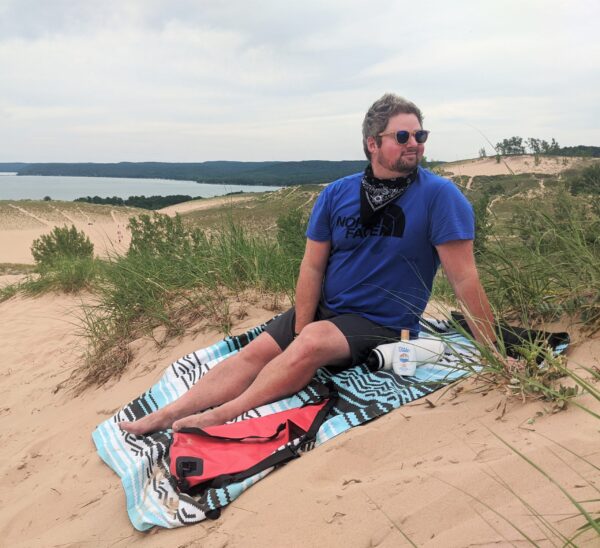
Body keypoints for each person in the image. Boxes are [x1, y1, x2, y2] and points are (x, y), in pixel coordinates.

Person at [121, 93, 497, 436]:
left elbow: (463, 278)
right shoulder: (338, 194)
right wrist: (301, 324)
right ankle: (167, 413)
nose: (415, 144)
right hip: (327, 309)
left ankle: (223, 414)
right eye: (403, 137)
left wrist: (492, 352)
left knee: (311, 343)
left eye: (420, 135)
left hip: (384, 322)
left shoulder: (439, 197)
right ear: (372, 143)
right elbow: (312, 266)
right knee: (256, 352)